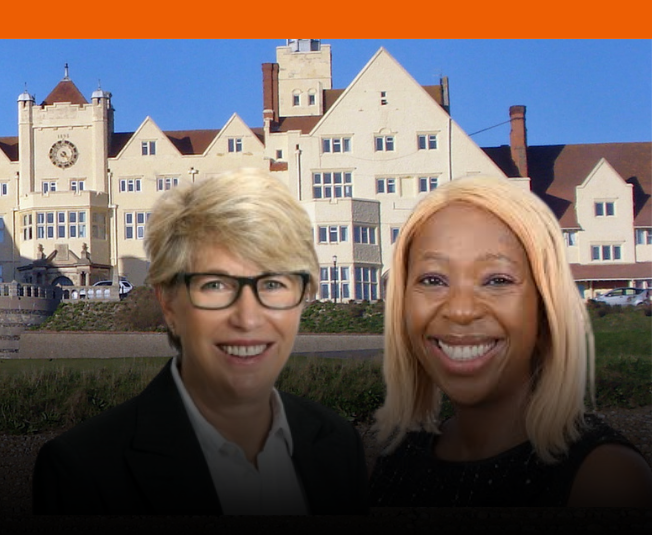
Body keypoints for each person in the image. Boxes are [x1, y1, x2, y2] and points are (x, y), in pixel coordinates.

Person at [32, 169, 368, 514]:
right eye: (215, 286)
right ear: (168, 303)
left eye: (273, 285)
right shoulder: (82, 471)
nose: (248, 317)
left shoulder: (337, 444)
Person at [370, 175, 652, 506]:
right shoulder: (399, 457)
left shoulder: (606, 477)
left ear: (545, 308)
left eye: (497, 280)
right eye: (433, 280)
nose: (461, 310)